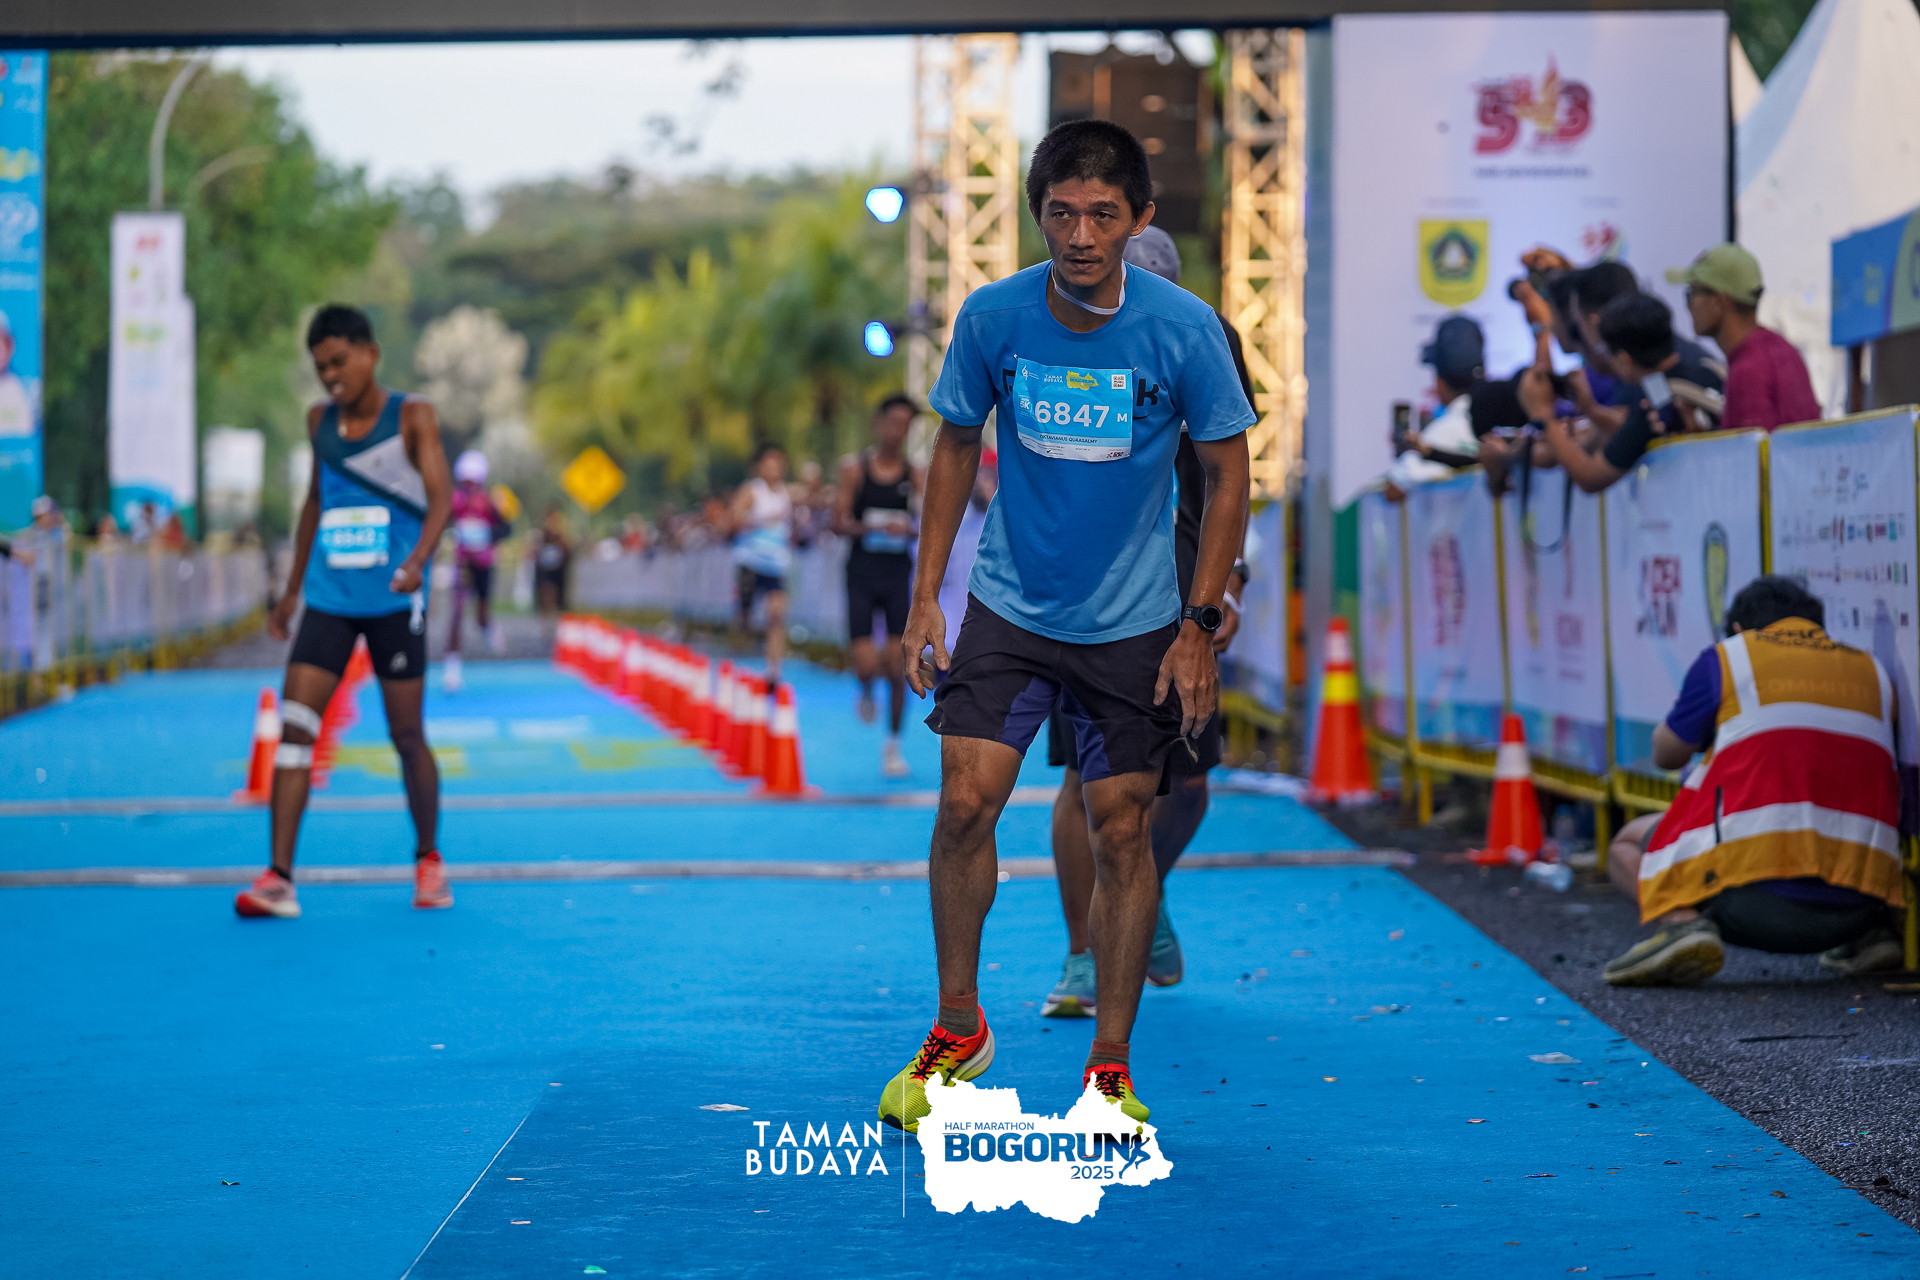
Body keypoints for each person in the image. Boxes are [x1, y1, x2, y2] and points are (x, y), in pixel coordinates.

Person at [877, 119, 1253, 1133]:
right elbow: (955, 445)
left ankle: (1109, 1069)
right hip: (1010, 605)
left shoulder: (1185, 330)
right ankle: (959, 1025)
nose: (1080, 235)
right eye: (1061, 213)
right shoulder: (994, 317)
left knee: (1122, 827)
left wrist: (1198, 624)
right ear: (1037, 214)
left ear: (1139, 219)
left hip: (1134, 619)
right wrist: (927, 596)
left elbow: (1228, 474)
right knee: (965, 802)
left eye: (1102, 214)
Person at [1042, 225, 1253, 1013]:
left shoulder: (1207, 335)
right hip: (1087, 590)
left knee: (1187, 784)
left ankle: (1140, 890)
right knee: (1082, 775)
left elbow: (1229, 476)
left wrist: (1226, 584)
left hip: (1183, 592)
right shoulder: (1060, 330)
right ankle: (1083, 956)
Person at [236, 304, 455, 920]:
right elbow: (315, 502)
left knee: (406, 736)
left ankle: (428, 860)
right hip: (329, 600)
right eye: (321, 368)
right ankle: (279, 879)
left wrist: (418, 561)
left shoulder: (412, 416)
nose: (331, 377)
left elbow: (441, 498)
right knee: (295, 728)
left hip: (393, 599)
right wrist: (290, 590)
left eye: (339, 362)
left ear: (370, 354)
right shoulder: (319, 422)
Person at [1602, 576, 1906, 984]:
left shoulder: (1730, 658)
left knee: (1625, 844)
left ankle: (1682, 926)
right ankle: (1870, 940)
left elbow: (1666, 755)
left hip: (1751, 903)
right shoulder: (1874, 671)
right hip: (1861, 907)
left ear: (1739, 629)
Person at [1530, 291, 1725, 493]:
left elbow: (1590, 476)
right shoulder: (1710, 372)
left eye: (1607, 353)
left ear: (1624, 360)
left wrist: (1544, 415)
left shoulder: (1653, 409)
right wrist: (1590, 409)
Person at [834, 393, 925, 779]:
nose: (897, 431)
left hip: (896, 577)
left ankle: (893, 746)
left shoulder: (915, 474)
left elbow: (928, 523)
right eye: (893, 422)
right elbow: (837, 521)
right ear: (879, 423)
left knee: (897, 664)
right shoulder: (855, 470)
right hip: (860, 574)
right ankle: (866, 687)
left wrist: (908, 529)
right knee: (868, 664)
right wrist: (871, 527)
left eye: (905, 425)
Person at [1665, 243, 1822, 431]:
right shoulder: (1782, 349)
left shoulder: (1748, 371)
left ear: (1719, 299)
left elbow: (1755, 449)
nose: (1688, 306)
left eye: (1691, 294)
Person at [442, 449, 508, 693]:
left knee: (481, 614)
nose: (469, 485)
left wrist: (487, 536)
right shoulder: (454, 500)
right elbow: (441, 522)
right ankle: (452, 669)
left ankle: (488, 627)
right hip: (463, 563)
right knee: (457, 612)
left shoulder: (490, 501)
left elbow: (506, 528)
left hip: (484, 563)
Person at [730, 442, 793, 683]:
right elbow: (733, 522)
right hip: (750, 561)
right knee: (745, 620)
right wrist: (764, 520)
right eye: (770, 464)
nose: (775, 468)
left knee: (777, 615)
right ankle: (738, 655)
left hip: (775, 564)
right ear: (760, 467)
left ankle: (773, 671)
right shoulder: (751, 491)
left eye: (779, 464)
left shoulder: (786, 493)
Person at [533, 508, 571, 614]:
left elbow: (566, 549)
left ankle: (553, 608)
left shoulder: (560, 535)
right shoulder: (543, 533)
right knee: (546, 587)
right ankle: (544, 608)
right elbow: (536, 549)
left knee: (554, 588)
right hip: (544, 567)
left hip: (556, 566)